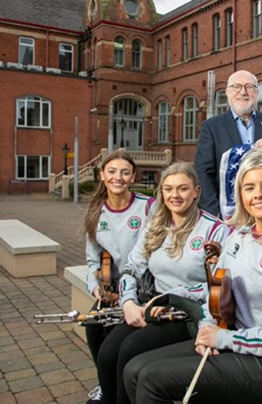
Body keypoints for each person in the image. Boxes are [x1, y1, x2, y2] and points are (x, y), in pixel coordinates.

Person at [123, 148, 262, 404]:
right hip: (234, 340)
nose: (259, 195)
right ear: (241, 194)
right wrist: (206, 325)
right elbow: (215, 292)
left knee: (153, 379)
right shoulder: (238, 237)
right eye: (249, 187)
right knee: (134, 369)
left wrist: (225, 338)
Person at [94, 162, 230, 404]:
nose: (174, 196)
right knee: (106, 354)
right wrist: (128, 303)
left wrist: (173, 297)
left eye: (183, 189)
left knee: (129, 350)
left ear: (196, 191)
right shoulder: (155, 225)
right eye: (168, 189)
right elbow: (131, 268)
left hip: (187, 311)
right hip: (152, 305)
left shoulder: (215, 231)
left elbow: (217, 287)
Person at [84, 150, 154, 404]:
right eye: (112, 171)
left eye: (125, 172)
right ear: (102, 175)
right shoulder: (95, 212)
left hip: (143, 287)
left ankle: (118, 386)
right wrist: (96, 289)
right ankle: (105, 383)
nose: (118, 177)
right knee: (93, 327)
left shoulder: (148, 206)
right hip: (112, 288)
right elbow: (92, 260)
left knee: (115, 344)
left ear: (133, 176)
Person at [194, 69, 262, 217]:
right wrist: (216, 215)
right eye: (236, 87)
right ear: (227, 92)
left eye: (249, 87)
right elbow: (203, 173)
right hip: (229, 215)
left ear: (257, 93)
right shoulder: (211, 127)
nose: (243, 92)